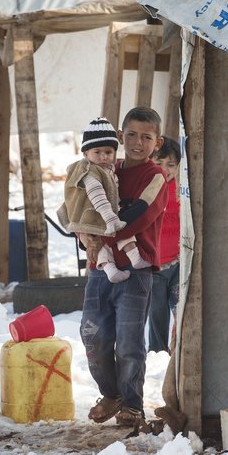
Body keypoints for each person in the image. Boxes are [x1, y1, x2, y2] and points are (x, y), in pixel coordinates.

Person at [79, 107, 167, 427]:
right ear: (120, 136)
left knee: (130, 342)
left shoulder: (154, 177)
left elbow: (140, 215)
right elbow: (79, 207)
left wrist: (102, 229)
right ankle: (111, 393)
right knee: (93, 335)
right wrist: (84, 235)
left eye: (146, 137)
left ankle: (132, 404)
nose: (137, 142)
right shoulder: (102, 167)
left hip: (135, 272)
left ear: (157, 143)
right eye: (131, 135)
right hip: (99, 268)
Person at [57, 117, 152, 284]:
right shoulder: (90, 173)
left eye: (108, 152)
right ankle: (119, 264)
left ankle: (125, 263)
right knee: (108, 237)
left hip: (100, 214)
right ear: (86, 153)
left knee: (113, 235)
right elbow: (98, 197)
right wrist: (111, 218)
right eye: (97, 152)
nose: (103, 157)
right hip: (93, 215)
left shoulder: (108, 170)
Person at [148, 137, 182, 353]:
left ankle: (179, 353)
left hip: (179, 263)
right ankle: (158, 355)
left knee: (182, 313)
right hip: (154, 266)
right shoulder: (146, 189)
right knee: (157, 315)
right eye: (159, 163)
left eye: (171, 165)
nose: (165, 170)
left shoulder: (182, 189)